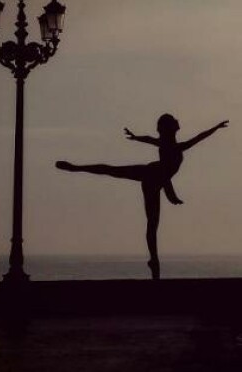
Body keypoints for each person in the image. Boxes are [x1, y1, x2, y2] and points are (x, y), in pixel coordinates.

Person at [56, 114, 229, 279]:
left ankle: (154, 260)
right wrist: (216, 127)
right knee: (147, 217)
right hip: (152, 177)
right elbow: (198, 138)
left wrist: (136, 137)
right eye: (174, 120)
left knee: (115, 173)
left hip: (154, 176)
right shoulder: (172, 146)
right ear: (170, 128)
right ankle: (154, 260)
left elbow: (155, 144)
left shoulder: (165, 144)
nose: (178, 121)